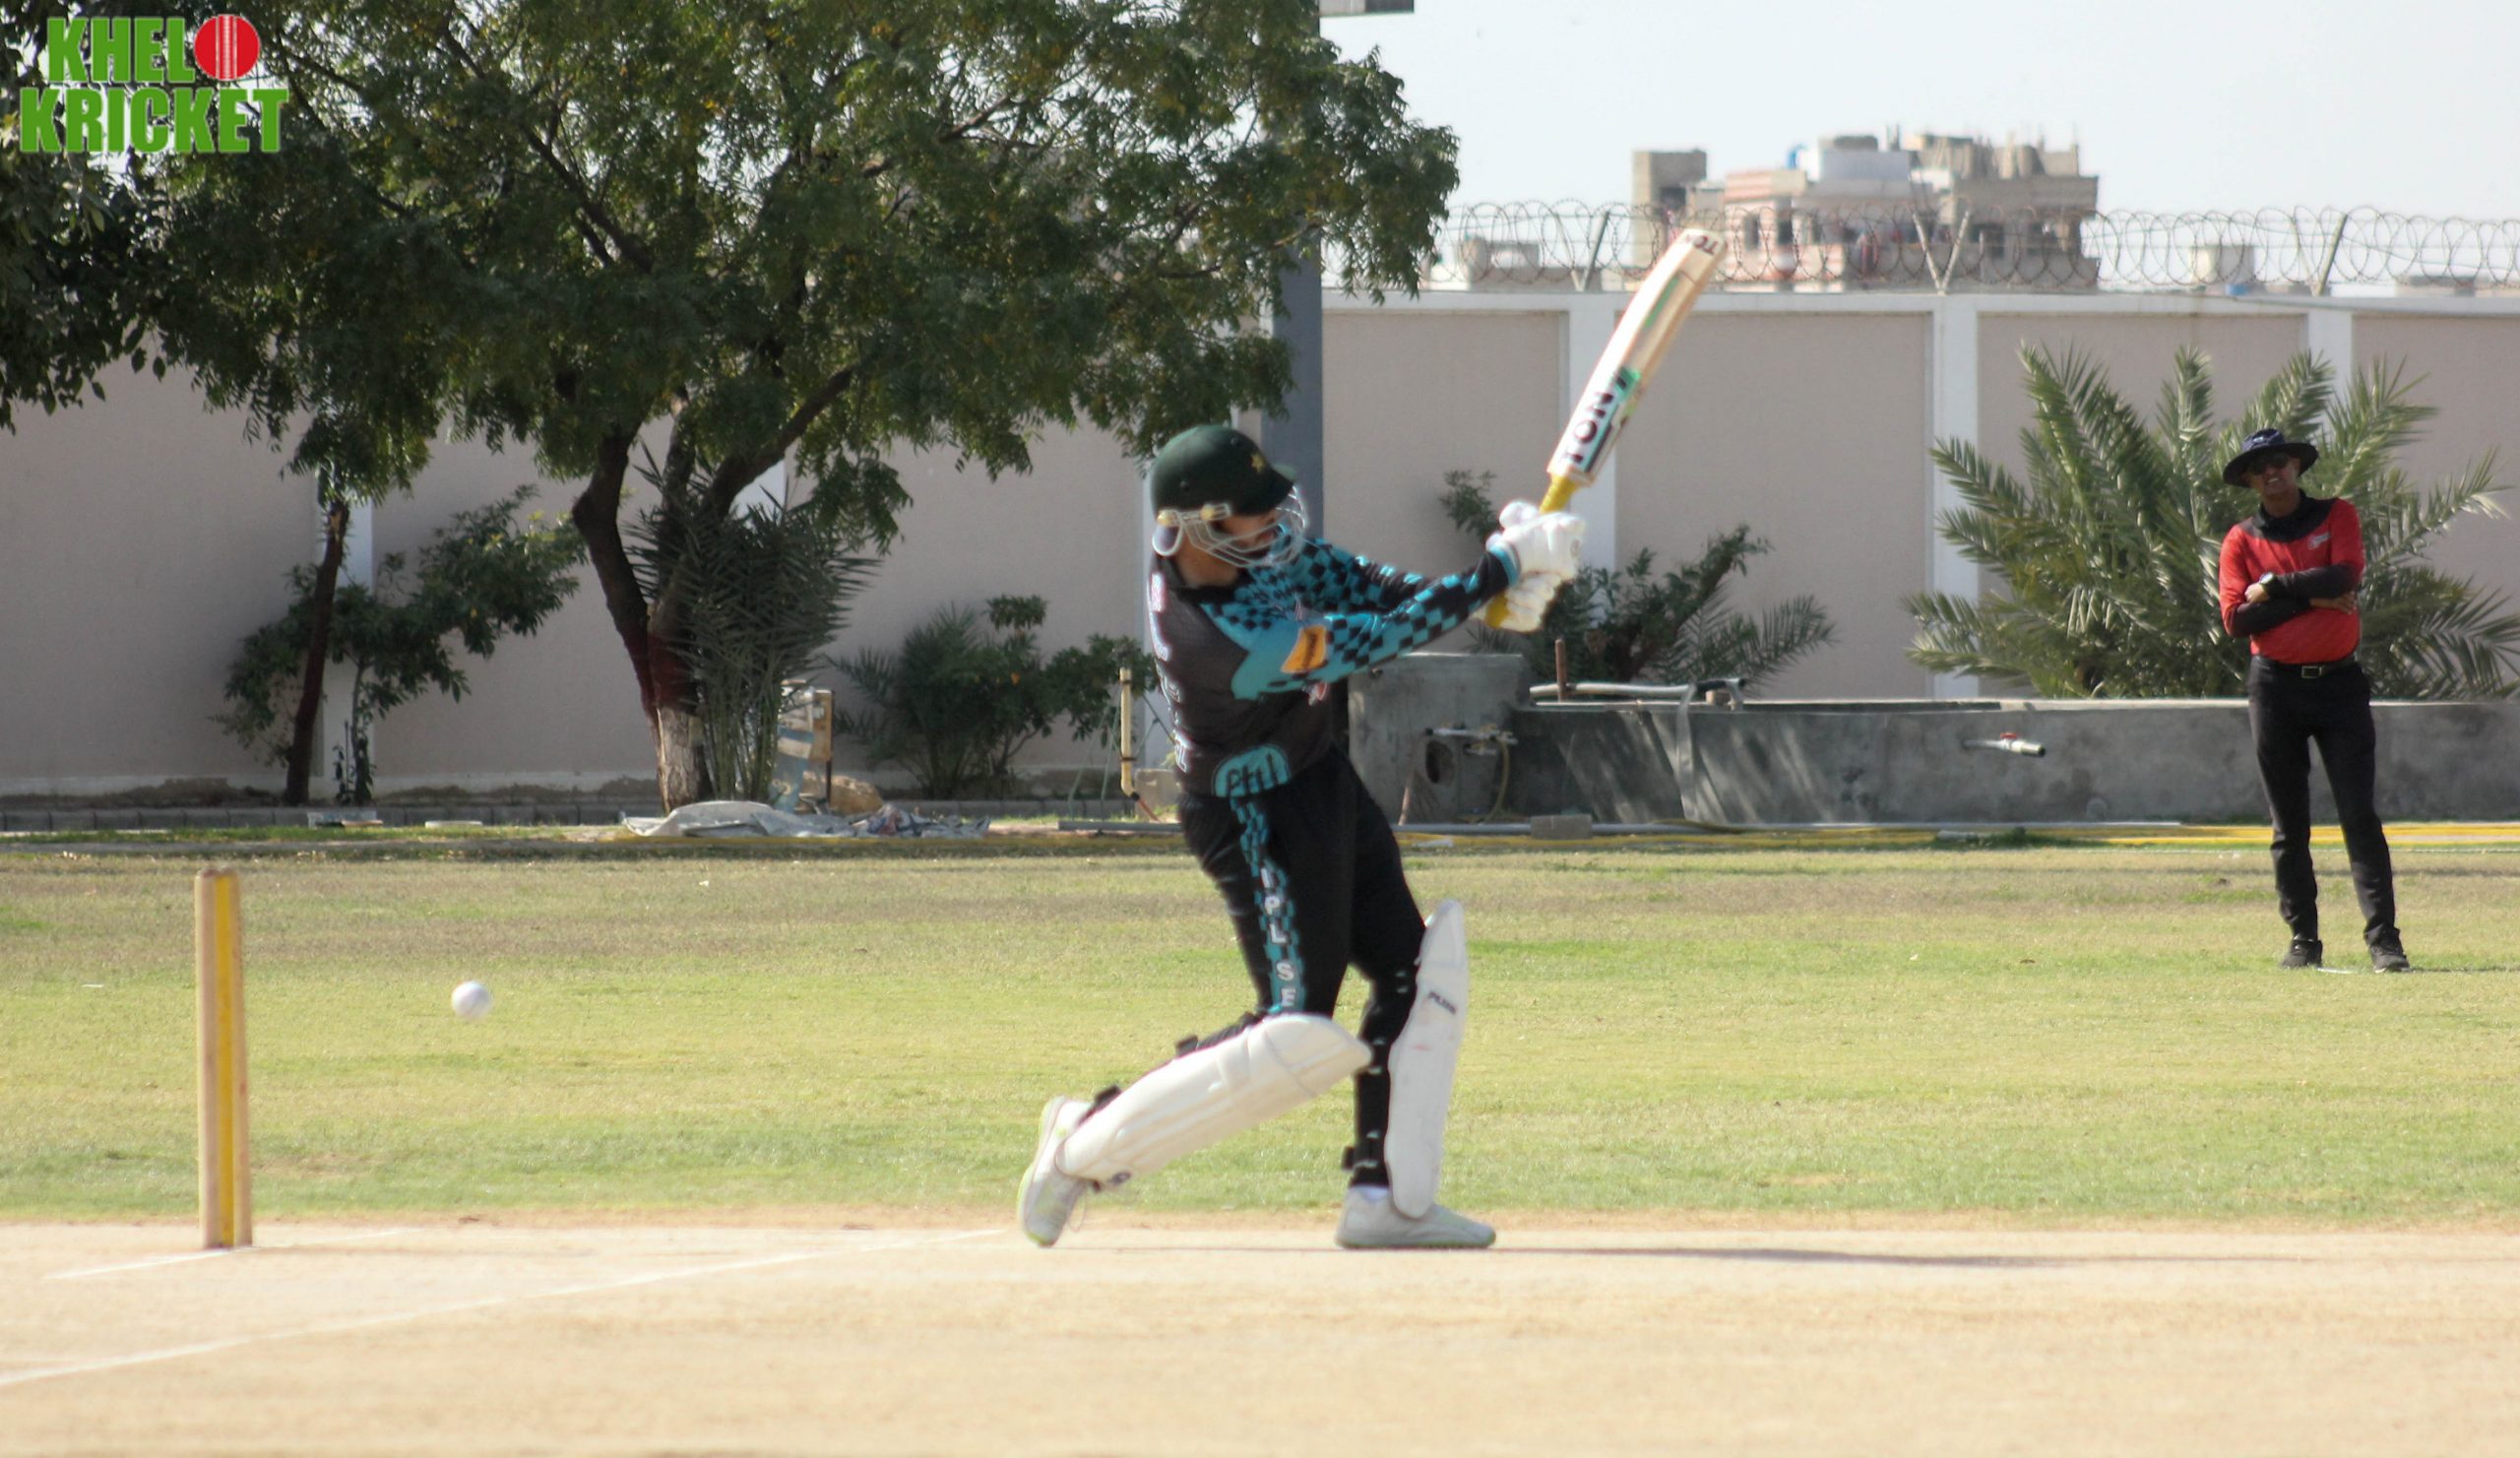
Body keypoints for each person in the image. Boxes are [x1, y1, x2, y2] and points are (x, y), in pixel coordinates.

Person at [1018, 423, 1581, 1249]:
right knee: (1295, 1032)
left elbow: (1376, 590)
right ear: (1198, 527)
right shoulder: (1220, 636)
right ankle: (1083, 1140)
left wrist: (1498, 585)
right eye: (1254, 511)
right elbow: (1371, 639)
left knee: (1415, 970)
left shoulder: (1256, 557)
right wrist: (1496, 571)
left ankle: (1384, 1198)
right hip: (1254, 817)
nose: (1276, 521)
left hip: (1319, 778)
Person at [2215, 427, 2409, 973]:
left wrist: (2275, 587)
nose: (2271, 472)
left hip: (2339, 686)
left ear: (2296, 466)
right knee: (2288, 825)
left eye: (2279, 461)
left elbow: (2344, 574)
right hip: (2274, 688)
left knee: (2359, 816)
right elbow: (2237, 619)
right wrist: (2312, 599)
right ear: (2250, 480)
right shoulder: (2240, 540)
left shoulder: (2336, 515)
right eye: (2259, 467)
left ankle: (2384, 941)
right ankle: (2304, 939)